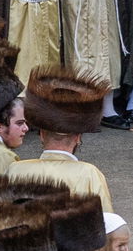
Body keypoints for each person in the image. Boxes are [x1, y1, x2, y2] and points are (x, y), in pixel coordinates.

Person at [10, 67, 115, 212]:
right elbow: (104, 224)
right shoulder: (89, 174)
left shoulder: (15, 169)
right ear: (77, 138)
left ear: (41, 135)